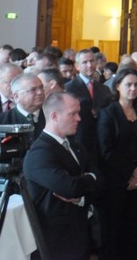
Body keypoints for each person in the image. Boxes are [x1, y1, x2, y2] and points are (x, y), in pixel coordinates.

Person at [23, 92, 104, 260]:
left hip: (80, 234)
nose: (79, 118)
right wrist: (89, 179)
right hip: (56, 242)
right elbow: (69, 188)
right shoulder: (40, 153)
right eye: (73, 113)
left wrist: (86, 185)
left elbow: (100, 179)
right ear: (54, 116)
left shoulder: (76, 147)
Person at [96, 67, 137, 260]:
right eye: (128, 84)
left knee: (134, 231)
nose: (133, 89)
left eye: (136, 85)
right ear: (118, 86)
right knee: (114, 232)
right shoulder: (108, 113)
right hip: (116, 182)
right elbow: (106, 151)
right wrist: (132, 171)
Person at [65, 49, 113, 156]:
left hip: (101, 141)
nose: (89, 65)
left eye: (92, 61)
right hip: (79, 140)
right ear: (77, 66)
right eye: (85, 62)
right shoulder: (69, 88)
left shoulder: (104, 89)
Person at [0, 73, 46, 140]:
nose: (40, 92)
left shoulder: (53, 117)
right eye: (32, 90)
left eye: (41, 87)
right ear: (16, 96)